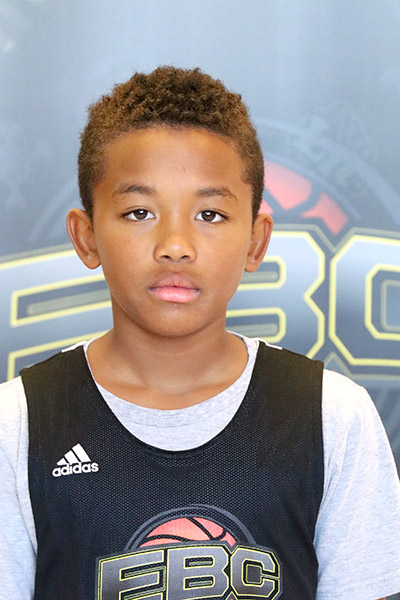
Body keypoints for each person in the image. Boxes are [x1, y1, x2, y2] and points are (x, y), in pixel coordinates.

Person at [0, 66, 399, 600]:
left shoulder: (333, 415)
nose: (175, 245)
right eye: (139, 212)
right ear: (86, 236)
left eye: (210, 214)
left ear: (256, 241)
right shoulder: (18, 423)